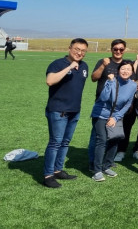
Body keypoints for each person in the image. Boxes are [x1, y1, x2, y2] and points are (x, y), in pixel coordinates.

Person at [42, 38, 89, 188]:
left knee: (65, 142)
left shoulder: (84, 66)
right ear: (70, 48)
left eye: (83, 51)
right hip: (58, 111)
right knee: (55, 143)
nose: (79, 53)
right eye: (77, 49)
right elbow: (49, 81)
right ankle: (48, 175)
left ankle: (58, 170)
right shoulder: (58, 64)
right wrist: (69, 67)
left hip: (74, 111)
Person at [90, 60, 137, 182]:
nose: (125, 71)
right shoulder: (111, 80)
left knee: (115, 139)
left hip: (116, 115)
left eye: (128, 69)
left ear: (132, 72)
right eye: (123, 69)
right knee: (102, 140)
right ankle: (97, 170)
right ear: (118, 70)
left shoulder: (133, 86)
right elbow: (103, 98)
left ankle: (107, 166)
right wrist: (110, 82)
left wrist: (115, 118)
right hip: (101, 113)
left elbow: (127, 104)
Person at [88, 39, 128, 167]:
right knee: (97, 136)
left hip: (117, 107)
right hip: (102, 105)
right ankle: (93, 162)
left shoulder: (127, 64)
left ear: (124, 50)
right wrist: (103, 66)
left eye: (121, 49)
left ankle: (107, 162)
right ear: (111, 49)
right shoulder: (104, 61)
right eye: (115, 49)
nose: (118, 51)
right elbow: (93, 78)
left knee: (114, 135)